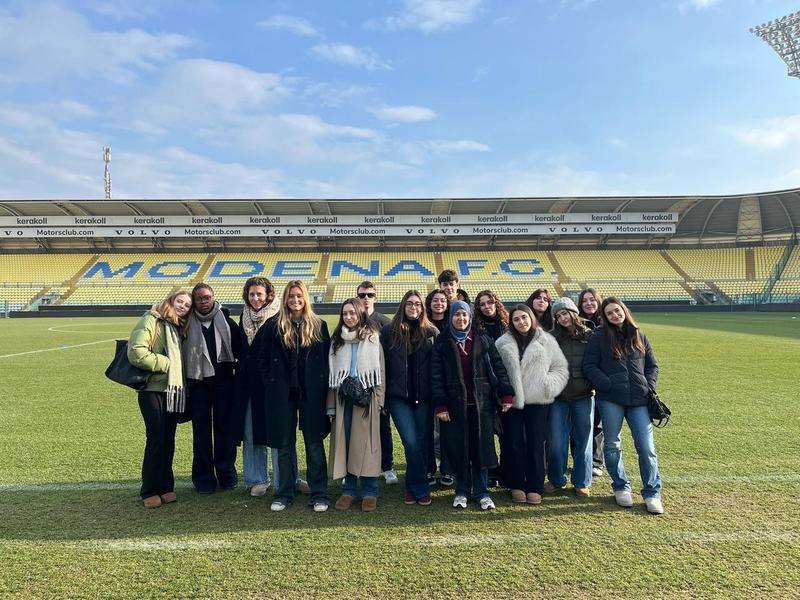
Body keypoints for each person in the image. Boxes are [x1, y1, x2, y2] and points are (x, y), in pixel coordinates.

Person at [253, 280, 331, 512]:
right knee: (285, 444)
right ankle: (284, 492)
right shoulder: (273, 326)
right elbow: (262, 359)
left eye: (299, 296)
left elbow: (327, 362)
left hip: (312, 395)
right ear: (285, 299)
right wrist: (272, 383)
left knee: (314, 443)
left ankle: (319, 493)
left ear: (305, 298)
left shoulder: (319, 325)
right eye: (291, 296)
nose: (295, 300)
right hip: (282, 396)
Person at [582, 297, 664, 514]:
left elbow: (653, 366)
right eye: (609, 313)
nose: (614, 315)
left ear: (623, 311)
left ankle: (652, 492)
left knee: (646, 448)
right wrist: (606, 384)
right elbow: (589, 366)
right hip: (610, 399)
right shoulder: (598, 337)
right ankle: (621, 487)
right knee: (612, 445)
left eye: (617, 311)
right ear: (605, 317)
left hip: (639, 400)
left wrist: (648, 386)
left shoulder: (638, 334)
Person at [431, 301, 514, 510]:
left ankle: (482, 491)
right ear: (450, 317)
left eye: (464, 315)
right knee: (460, 449)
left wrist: (506, 394)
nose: (461, 319)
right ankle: (461, 490)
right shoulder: (442, 343)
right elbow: (435, 376)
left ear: (470, 317)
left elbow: (498, 367)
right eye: (457, 315)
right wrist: (441, 405)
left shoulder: (483, 339)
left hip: (482, 405)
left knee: (481, 449)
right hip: (455, 406)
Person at [495, 304, 568, 504]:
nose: (521, 322)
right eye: (516, 319)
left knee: (536, 443)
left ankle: (535, 485)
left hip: (538, 401)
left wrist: (547, 387)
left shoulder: (546, 340)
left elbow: (560, 368)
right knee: (514, 443)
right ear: (511, 322)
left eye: (524, 317)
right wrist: (503, 395)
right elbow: (496, 372)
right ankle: (516, 484)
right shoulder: (502, 343)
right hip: (512, 402)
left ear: (531, 318)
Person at [127, 291, 192, 508]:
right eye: (180, 301)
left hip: (173, 391)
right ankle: (149, 489)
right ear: (171, 301)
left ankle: (166, 486)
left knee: (168, 439)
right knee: (156, 439)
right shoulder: (151, 319)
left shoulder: (177, 325)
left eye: (187, 304)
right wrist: (167, 364)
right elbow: (136, 351)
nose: (183, 306)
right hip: (152, 390)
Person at [328, 298, 386, 512]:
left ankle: (370, 491)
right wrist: (331, 406)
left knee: (368, 447)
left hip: (367, 399)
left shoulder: (372, 339)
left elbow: (380, 374)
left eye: (353, 313)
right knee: (347, 444)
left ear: (361, 314)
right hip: (344, 400)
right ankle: (349, 490)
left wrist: (379, 402)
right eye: (345, 313)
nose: (349, 317)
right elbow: (331, 377)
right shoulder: (337, 341)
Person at [381, 290, 438, 505]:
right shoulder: (389, 332)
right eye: (410, 304)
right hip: (398, 398)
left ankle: (412, 486)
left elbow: (437, 367)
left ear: (423, 308)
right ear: (403, 306)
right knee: (411, 442)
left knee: (422, 442)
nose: (414, 307)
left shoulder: (431, 332)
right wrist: (383, 398)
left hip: (424, 398)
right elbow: (383, 366)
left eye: (417, 304)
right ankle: (420, 487)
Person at [183, 283, 241, 494]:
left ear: (213, 298)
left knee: (224, 431)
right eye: (199, 299)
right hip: (198, 386)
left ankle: (227, 475)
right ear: (194, 301)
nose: (204, 302)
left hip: (224, 383)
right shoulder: (186, 324)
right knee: (201, 433)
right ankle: (204, 478)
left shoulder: (227, 322)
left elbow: (239, 351)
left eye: (207, 297)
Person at [233, 277, 281, 497]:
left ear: (268, 295)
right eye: (251, 294)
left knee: (277, 432)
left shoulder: (279, 317)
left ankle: (284, 478)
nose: (255, 298)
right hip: (246, 384)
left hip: (272, 383)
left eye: (259, 294)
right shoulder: (243, 316)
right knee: (251, 431)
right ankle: (256, 478)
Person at [546, 297, 595, 498]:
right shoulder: (551, 337)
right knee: (557, 442)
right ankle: (557, 480)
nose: (562, 318)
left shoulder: (591, 335)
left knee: (583, 441)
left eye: (564, 313)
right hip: (559, 398)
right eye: (558, 316)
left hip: (584, 395)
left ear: (573, 312)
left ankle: (582, 482)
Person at [356, 280, 397, 486]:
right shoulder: (351, 319)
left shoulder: (385, 323)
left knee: (383, 426)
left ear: (376, 298)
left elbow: (390, 357)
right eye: (362, 295)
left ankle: (387, 466)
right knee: (356, 428)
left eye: (369, 295)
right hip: (356, 386)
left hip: (379, 384)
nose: (366, 298)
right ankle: (357, 466)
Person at [472, 289, 510, 487]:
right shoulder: (476, 328)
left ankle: (506, 471)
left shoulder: (508, 325)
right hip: (486, 385)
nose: (487, 307)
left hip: (507, 382)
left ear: (496, 304)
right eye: (482, 304)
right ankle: (491, 471)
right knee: (486, 432)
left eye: (490, 303)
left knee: (507, 432)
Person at [577, 287, 605, 477]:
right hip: (583, 379)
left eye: (592, 300)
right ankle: (582, 458)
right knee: (583, 423)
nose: (589, 303)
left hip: (603, 379)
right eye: (585, 300)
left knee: (598, 424)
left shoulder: (606, 323)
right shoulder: (576, 323)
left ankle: (597, 461)